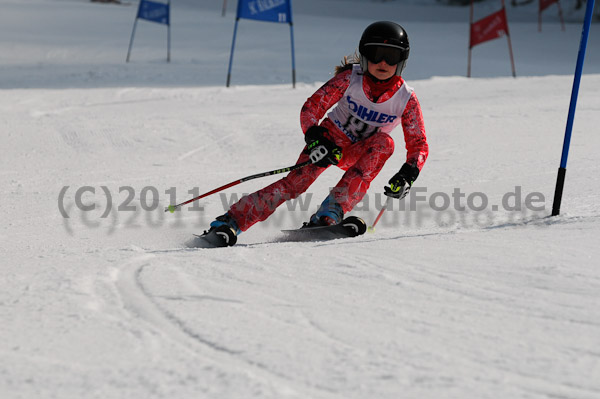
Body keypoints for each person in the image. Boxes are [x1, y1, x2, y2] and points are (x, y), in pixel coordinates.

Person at [205, 21, 429, 246]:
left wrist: (408, 174)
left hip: (359, 152)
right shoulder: (350, 79)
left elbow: (418, 144)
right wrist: (315, 139)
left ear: (402, 61)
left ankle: (330, 213)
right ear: (364, 55)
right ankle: (231, 221)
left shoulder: (405, 99)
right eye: (376, 54)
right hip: (329, 141)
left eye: (391, 56)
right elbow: (311, 108)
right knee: (295, 185)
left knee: (385, 143)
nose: (383, 62)